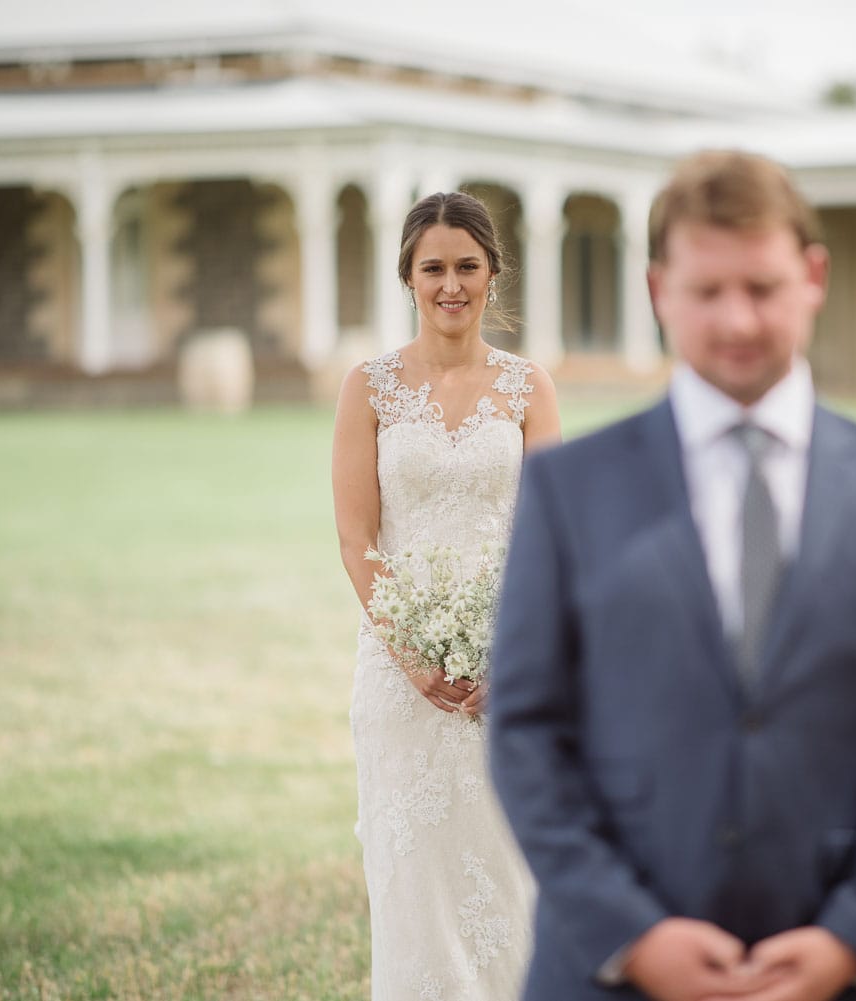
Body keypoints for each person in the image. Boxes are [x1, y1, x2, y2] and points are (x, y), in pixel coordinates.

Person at [488, 151, 856, 1001]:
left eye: (762, 286)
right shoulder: (570, 488)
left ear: (813, 276)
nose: (738, 320)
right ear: (658, 290)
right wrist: (632, 933)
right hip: (609, 975)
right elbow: (528, 730)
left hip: (833, 968)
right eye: (707, 291)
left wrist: (850, 936)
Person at [332, 190, 560, 1000]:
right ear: (409, 276)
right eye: (435, 267)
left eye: (468, 265)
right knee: (415, 893)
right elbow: (357, 537)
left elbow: (552, 539)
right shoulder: (370, 388)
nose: (451, 284)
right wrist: (414, 657)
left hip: (509, 680)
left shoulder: (529, 387)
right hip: (400, 685)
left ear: (493, 274)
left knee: (510, 884)